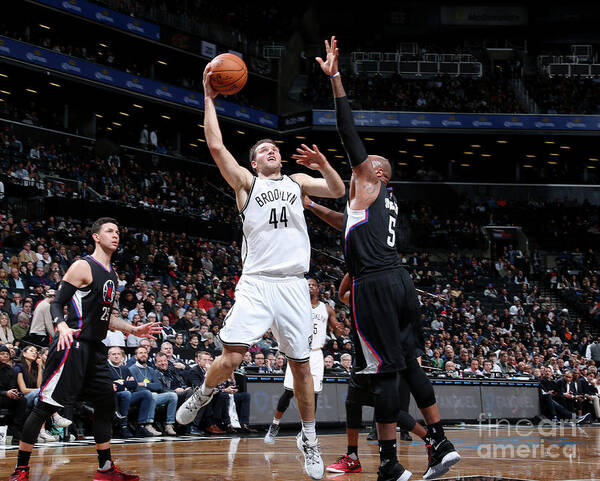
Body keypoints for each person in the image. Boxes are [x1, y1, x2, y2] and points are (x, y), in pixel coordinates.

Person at [176, 60, 345, 480]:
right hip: (255, 284)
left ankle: (308, 437)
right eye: (262, 150)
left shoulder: (298, 183)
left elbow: (340, 191)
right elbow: (216, 147)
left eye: (275, 148)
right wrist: (209, 97)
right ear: (253, 164)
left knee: (301, 367)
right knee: (231, 357)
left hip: (292, 285)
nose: (272, 151)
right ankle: (204, 391)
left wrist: (323, 163)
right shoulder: (247, 186)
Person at [309, 35, 460, 481]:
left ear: (376, 173)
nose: (360, 163)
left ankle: (392, 464)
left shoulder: (368, 178)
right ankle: (441, 442)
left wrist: (335, 78)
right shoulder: (380, 202)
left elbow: (348, 133)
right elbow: (347, 223)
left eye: (366, 163)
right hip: (399, 283)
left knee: (383, 376)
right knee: (408, 364)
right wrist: (314, 206)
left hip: (373, 285)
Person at [10, 217, 161, 481]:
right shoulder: (83, 265)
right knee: (45, 406)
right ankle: (21, 470)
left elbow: (106, 317)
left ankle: (105, 468)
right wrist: (61, 326)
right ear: (96, 236)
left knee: (105, 403)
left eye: (118, 231)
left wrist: (132, 330)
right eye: (109, 231)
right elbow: (57, 302)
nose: (115, 235)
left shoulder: (112, 274)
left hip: (95, 349)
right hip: (72, 345)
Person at [264, 278, 341, 443]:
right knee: (290, 391)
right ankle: (274, 425)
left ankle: (306, 431)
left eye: (313, 285)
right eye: (307, 285)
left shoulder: (326, 308)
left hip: (316, 354)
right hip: (298, 352)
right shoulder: (296, 305)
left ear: (318, 289)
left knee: (313, 393)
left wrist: (339, 329)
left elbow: (336, 326)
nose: (310, 287)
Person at [107, 347, 155, 438]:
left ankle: (141, 425)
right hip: (113, 397)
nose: (116, 356)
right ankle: (123, 426)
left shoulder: (124, 368)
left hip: (127, 395)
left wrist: (122, 382)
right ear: (109, 356)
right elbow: (111, 385)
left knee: (146, 393)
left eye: (118, 354)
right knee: (126, 393)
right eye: (114, 354)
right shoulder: (106, 368)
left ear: (122, 356)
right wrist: (125, 384)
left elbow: (134, 384)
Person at [128, 347, 178, 436]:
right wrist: (149, 387)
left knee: (172, 395)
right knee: (152, 394)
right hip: (140, 397)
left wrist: (145, 385)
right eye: (140, 353)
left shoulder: (151, 369)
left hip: (153, 395)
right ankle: (148, 424)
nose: (143, 354)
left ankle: (169, 424)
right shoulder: (132, 369)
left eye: (145, 353)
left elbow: (158, 386)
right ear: (136, 356)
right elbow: (135, 387)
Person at [0, 344, 27, 446]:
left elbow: (12, 386)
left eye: (7, 354)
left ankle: (15, 429)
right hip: (2, 395)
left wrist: (14, 392)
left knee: (22, 400)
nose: (5, 356)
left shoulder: (11, 370)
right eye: (2, 354)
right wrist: (5, 393)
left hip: (6, 396)